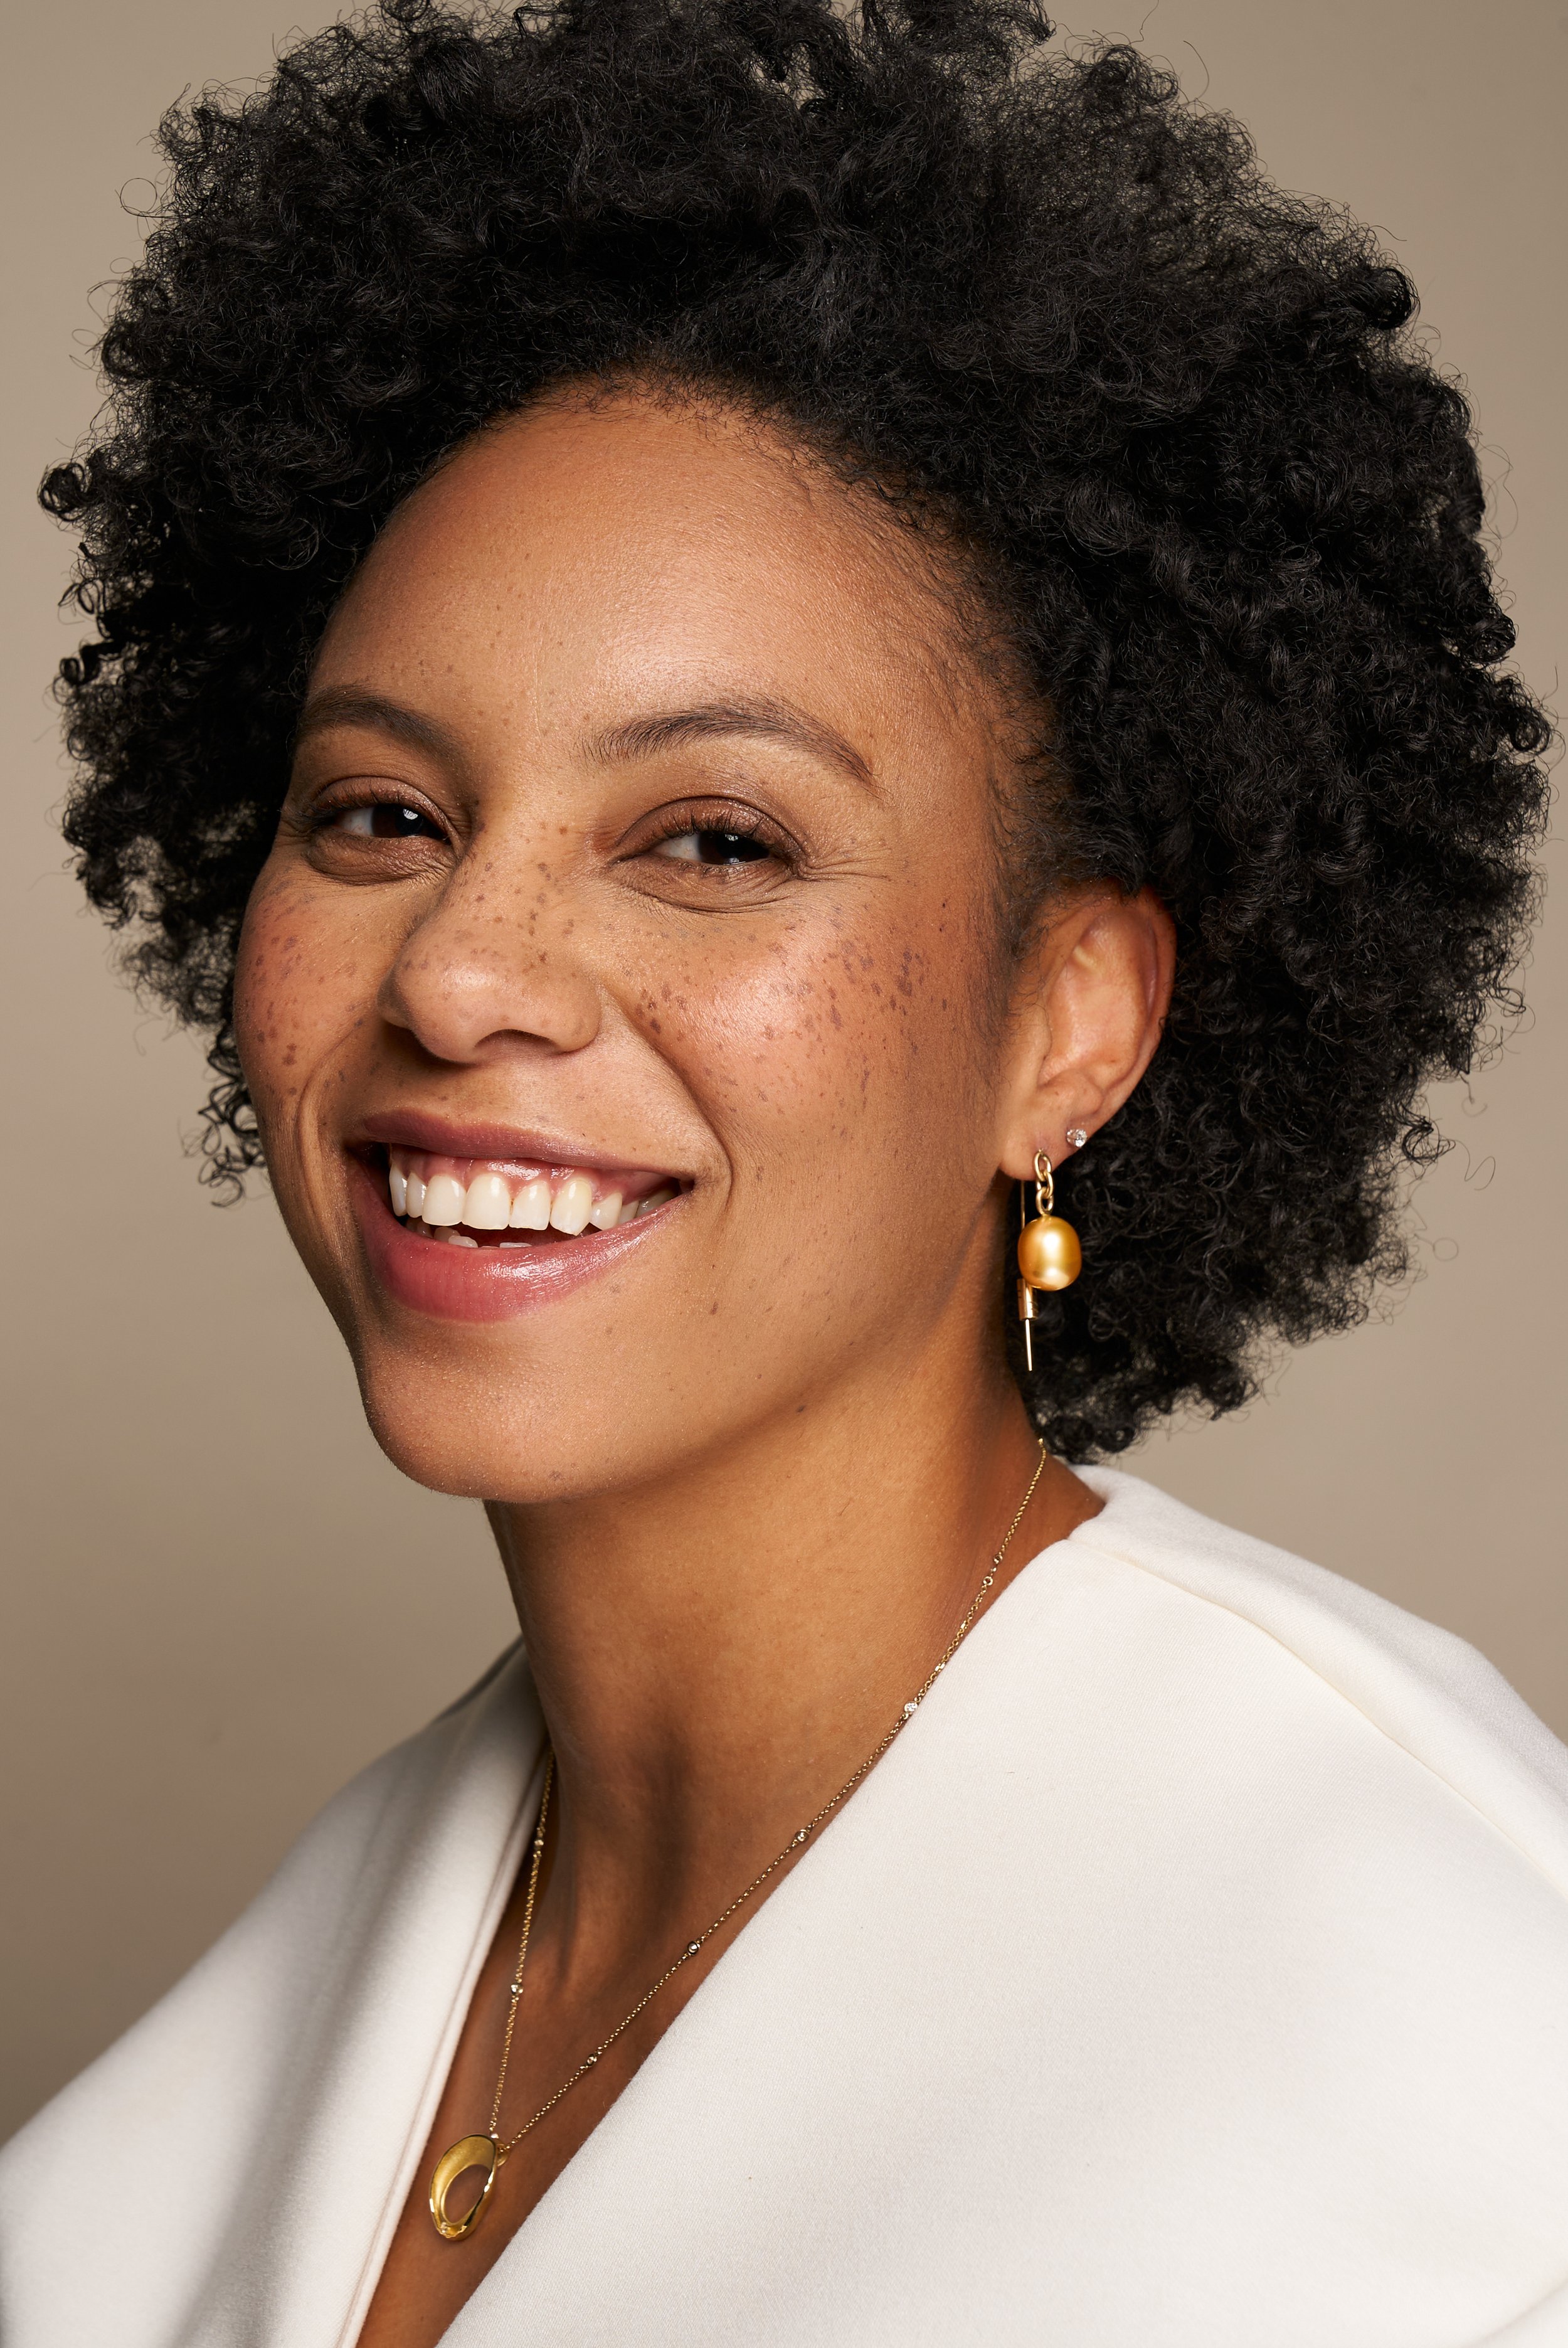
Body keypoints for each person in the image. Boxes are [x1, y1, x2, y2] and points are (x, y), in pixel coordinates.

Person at [3, 3, 1564, 2342]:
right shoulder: (299, 2003)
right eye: (381, 814)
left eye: (712, 839)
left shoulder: (1440, 2023)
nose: (465, 973)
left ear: (1071, 1023)